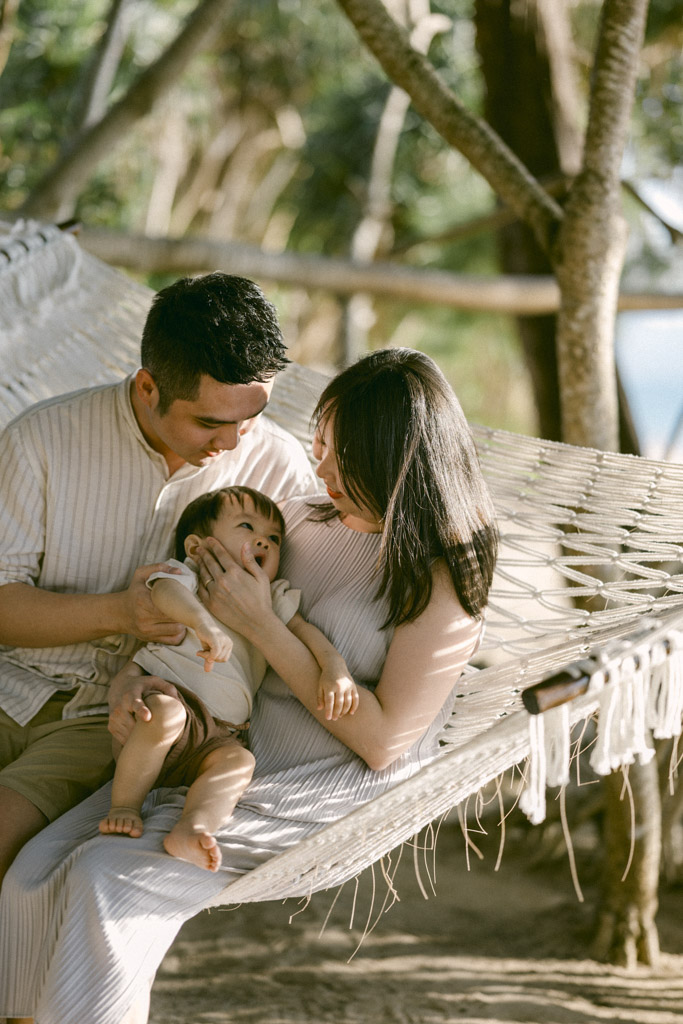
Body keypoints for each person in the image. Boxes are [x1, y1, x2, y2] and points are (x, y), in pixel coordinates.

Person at [0, 347, 498, 1024]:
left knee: (102, 878)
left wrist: (262, 626)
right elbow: (193, 599)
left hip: (313, 781)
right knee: (39, 865)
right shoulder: (300, 516)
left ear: (390, 458)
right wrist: (132, 681)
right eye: (318, 443)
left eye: (336, 452)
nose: (316, 465)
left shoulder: (441, 576)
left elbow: (384, 740)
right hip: (215, 744)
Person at [0, 272, 317, 887]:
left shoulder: (276, 467)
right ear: (148, 387)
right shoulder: (42, 438)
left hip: (110, 723)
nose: (232, 443)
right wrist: (122, 612)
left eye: (250, 419)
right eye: (208, 424)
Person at [99, 484, 358, 871]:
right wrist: (202, 622)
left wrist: (335, 667)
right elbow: (165, 594)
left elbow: (306, 633)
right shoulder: (187, 577)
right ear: (198, 547)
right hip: (166, 704)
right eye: (246, 527)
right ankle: (124, 805)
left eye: (273, 537)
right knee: (165, 717)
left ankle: (192, 826)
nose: (263, 542)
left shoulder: (273, 595)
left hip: (220, 734)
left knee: (239, 762)